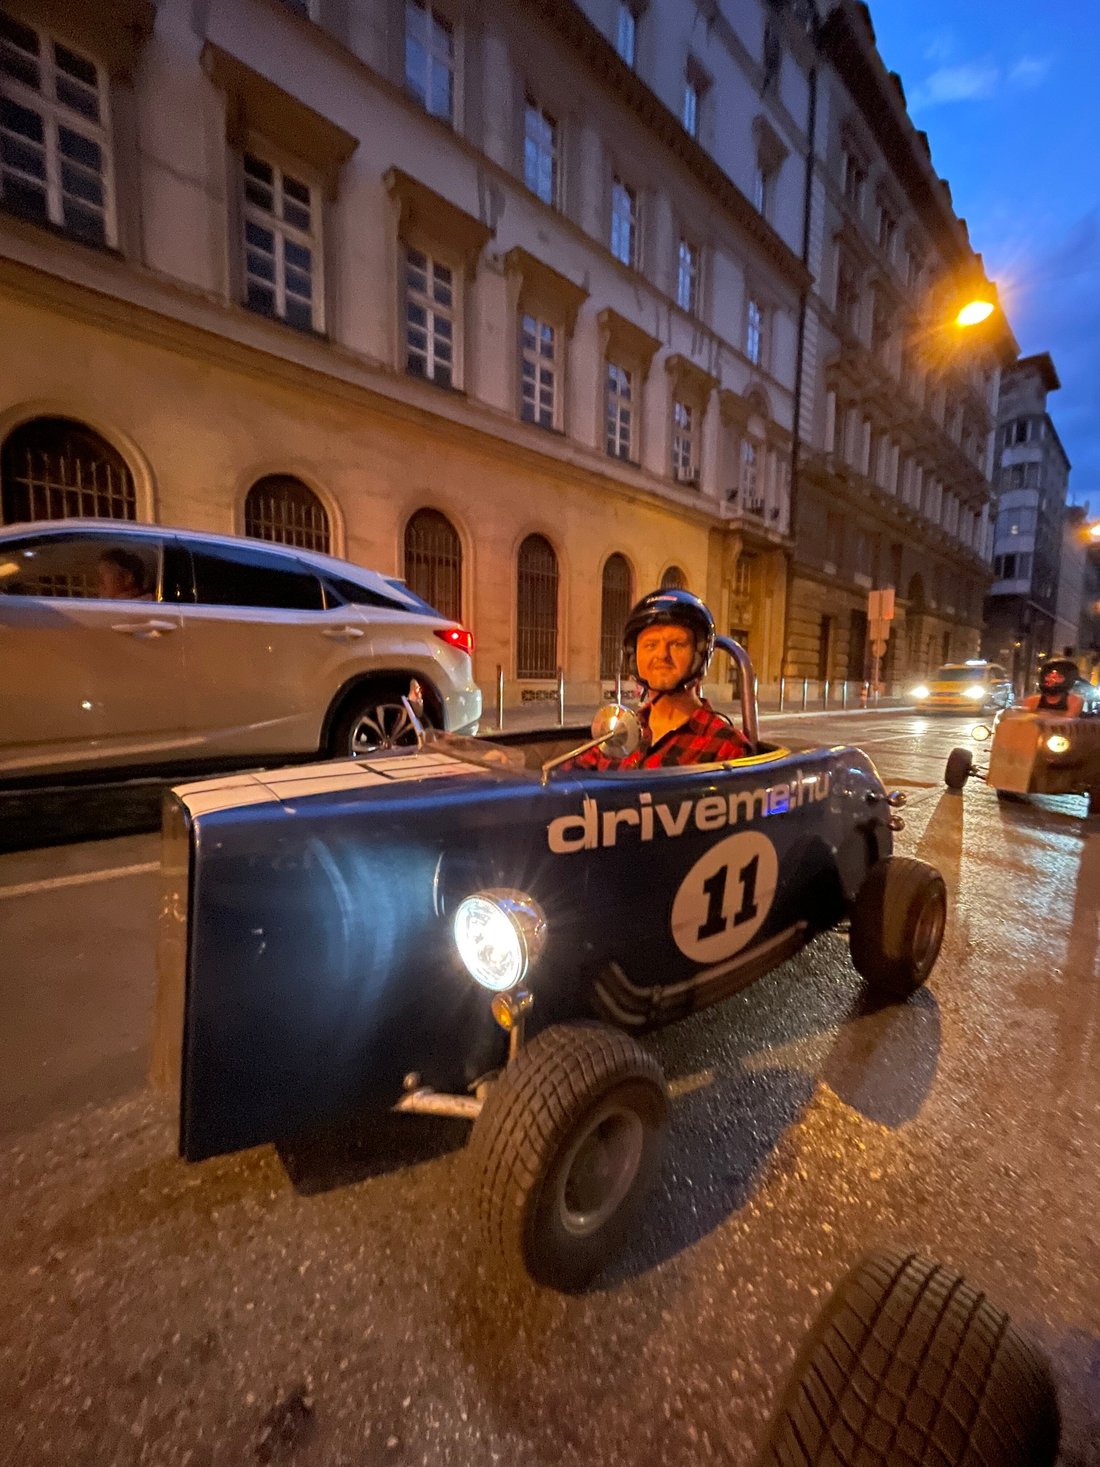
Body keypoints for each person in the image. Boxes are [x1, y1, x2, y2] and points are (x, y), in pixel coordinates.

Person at [567, 588, 750, 770]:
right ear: (634, 656)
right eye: (650, 645)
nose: (662, 654)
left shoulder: (726, 747)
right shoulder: (618, 732)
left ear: (699, 655)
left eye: (677, 644)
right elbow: (568, 777)